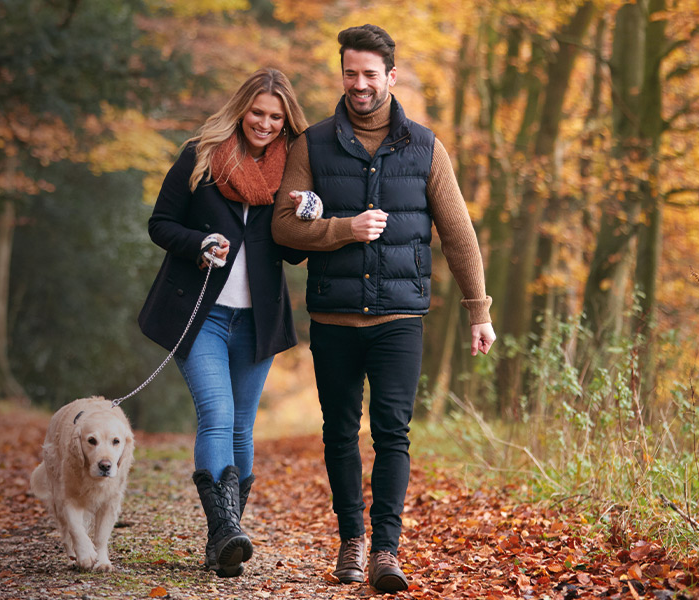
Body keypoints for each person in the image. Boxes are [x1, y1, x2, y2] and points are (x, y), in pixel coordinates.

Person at [271, 25, 497, 592]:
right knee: (340, 433)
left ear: (391, 77)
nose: (360, 84)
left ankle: (387, 551)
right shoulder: (312, 145)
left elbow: (459, 233)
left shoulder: (425, 147)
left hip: (400, 319)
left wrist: (479, 310)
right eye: (351, 73)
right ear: (342, 74)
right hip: (333, 318)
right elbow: (282, 227)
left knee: (393, 433)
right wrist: (343, 230)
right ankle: (352, 541)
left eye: (371, 74)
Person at [138, 67, 309, 578]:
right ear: (241, 109)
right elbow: (160, 223)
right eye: (258, 112)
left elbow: (295, 255)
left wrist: (305, 214)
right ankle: (225, 532)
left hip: (258, 321)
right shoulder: (201, 156)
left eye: (276, 117)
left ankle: (224, 537)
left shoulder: (293, 172)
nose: (265, 123)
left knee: (242, 425)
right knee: (216, 413)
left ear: (285, 122)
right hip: (201, 314)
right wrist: (199, 244)